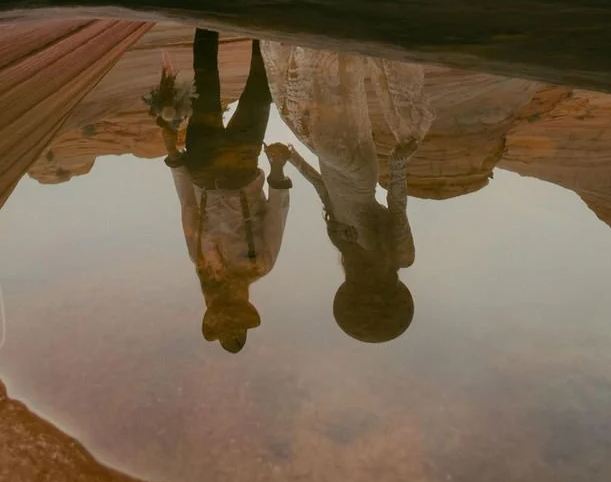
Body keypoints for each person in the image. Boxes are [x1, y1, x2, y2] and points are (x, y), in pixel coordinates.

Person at [262, 43, 433, 344]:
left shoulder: (349, 253)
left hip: (333, 165)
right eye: (374, 302)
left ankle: (330, 42)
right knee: (316, 105)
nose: (369, 297)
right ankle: (329, 42)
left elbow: (322, 189)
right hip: (357, 172)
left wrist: (290, 157)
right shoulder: (399, 257)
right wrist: (398, 166)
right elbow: (397, 206)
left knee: (309, 107)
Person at [163, 29, 291, 354]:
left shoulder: (201, 260)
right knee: (261, 90)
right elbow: (276, 214)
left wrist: (174, 156)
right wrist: (277, 168)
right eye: (236, 310)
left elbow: (188, 207)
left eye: (223, 311)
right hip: (243, 160)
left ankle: (207, 18)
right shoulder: (260, 264)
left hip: (203, 162)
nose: (228, 303)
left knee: (205, 81)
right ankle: (260, 17)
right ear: (246, 306)